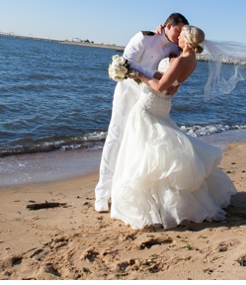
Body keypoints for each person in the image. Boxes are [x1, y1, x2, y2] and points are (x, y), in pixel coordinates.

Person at [109, 25, 237, 229]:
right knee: (154, 149)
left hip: (150, 105)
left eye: (181, 36)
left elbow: (160, 86)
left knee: (143, 151)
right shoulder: (191, 61)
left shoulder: (181, 60)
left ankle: (151, 203)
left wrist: (137, 74)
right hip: (162, 105)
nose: (177, 38)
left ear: (186, 40)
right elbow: (174, 85)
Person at [94, 13, 189, 213]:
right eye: (177, 30)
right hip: (129, 93)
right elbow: (127, 63)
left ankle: (130, 190)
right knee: (116, 137)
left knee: (144, 143)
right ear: (167, 26)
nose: (179, 35)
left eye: (182, 32)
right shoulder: (145, 38)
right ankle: (102, 193)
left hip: (151, 100)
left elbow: (178, 73)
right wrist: (154, 75)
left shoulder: (175, 48)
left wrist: (174, 87)